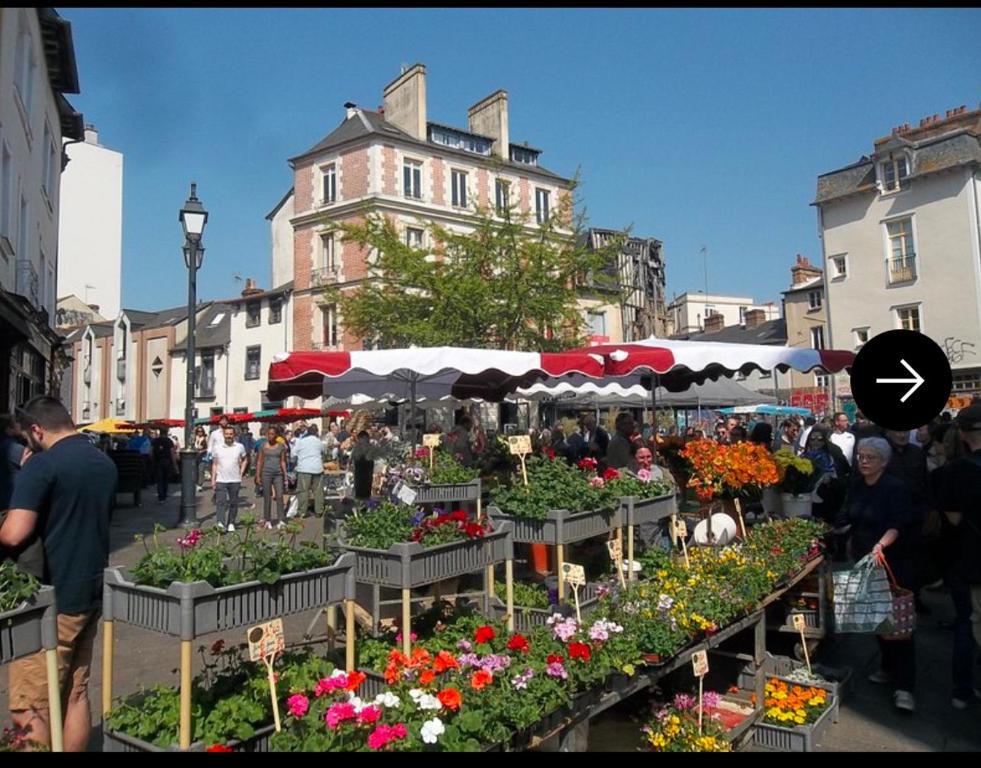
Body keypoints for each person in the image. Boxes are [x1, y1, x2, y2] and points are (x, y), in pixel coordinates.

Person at [0, 396, 116, 750]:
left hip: (49, 599)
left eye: (26, 437)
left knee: (31, 704)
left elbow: (14, 533)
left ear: (36, 429)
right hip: (90, 591)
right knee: (75, 692)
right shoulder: (103, 462)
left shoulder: (44, 465)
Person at [844, 436, 917, 712]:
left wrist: (881, 545)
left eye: (870, 457)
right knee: (876, 619)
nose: (863, 461)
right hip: (864, 559)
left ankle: (905, 687)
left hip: (891, 560)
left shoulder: (894, 488)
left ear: (884, 462)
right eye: (861, 456)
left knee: (898, 624)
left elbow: (899, 523)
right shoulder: (858, 485)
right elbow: (850, 516)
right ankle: (887, 667)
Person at [939, 406, 981, 710]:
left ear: (963, 434)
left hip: (972, 557)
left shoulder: (957, 470)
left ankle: (962, 690)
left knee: (969, 622)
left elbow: (953, 519)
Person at [210, 425, 248, 531]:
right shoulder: (217, 447)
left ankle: (231, 522)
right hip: (221, 479)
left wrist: (241, 471)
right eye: (226, 434)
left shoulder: (239, 446)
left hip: (235, 479)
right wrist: (213, 479)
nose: (229, 436)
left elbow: (245, 459)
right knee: (220, 502)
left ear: (234, 435)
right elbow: (215, 464)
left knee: (233, 502)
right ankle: (221, 523)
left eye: (231, 434)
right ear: (223, 435)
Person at [256, 425, 287, 529]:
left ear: (276, 435)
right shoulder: (263, 446)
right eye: (268, 434)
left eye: (272, 434)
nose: (270, 436)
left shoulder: (281, 446)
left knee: (279, 496)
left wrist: (285, 475)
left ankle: (281, 519)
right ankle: (267, 519)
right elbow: (260, 461)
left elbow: (283, 461)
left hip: (278, 473)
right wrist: (257, 475)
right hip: (266, 473)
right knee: (267, 497)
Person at [294, 424, 326, 518]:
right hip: (317, 468)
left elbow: (293, 453)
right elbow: (324, 452)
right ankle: (319, 511)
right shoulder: (319, 442)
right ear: (316, 432)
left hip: (304, 468)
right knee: (318, 491)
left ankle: (302, 512)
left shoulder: (301, 442)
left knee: (303, 491)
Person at [150, 427, 177, 504]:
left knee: (159, 479)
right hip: (167, 461)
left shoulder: (155, 441)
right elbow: (172, 453)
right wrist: (174, 464)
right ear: (166, 432)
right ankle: (164, 494)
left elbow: (150, 452)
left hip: (158, 461)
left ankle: (160, 497)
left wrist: (152, 460)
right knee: (166, 479)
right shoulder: (169, 441)